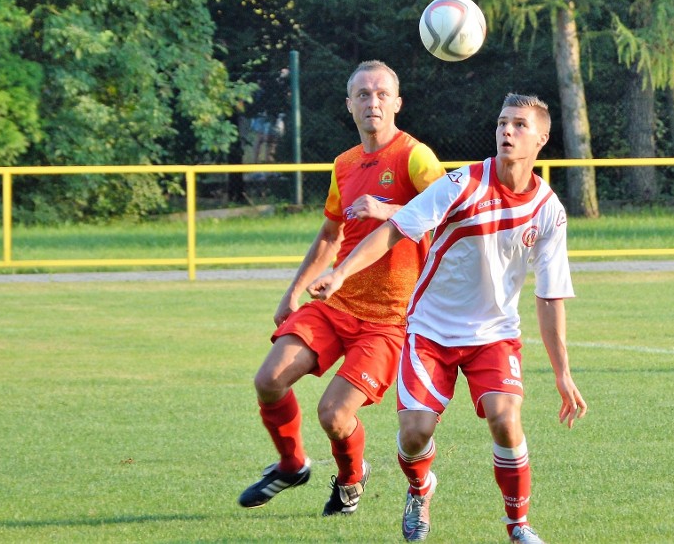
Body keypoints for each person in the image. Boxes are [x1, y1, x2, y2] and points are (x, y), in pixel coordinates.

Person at [308, 93, 588, 543]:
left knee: (505, 417)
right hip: (430, 329)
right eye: (501, 123)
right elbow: (396, 229)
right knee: (415, 433)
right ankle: (421, 488)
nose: (507, 132)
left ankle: (518, 526)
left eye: (519, 125)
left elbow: (550, 296)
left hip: (493, 333)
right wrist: (340, 273)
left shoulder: (549, 210)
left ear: (542, 137)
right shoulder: (462, 184)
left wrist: (564, 374)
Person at [238, 60, 445, 516]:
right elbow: (330, 235)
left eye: (382, 94)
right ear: (349, 104)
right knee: (268, 381)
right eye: (364, 94)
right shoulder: (345, 164)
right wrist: (293, 292)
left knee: (334, 415)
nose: (373, 102)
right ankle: (292, 465)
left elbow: (449, 210)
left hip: (389, 320)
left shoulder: (415, 156)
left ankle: (352, 479)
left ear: (397, 103)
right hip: (335, 301)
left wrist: (389, 209)